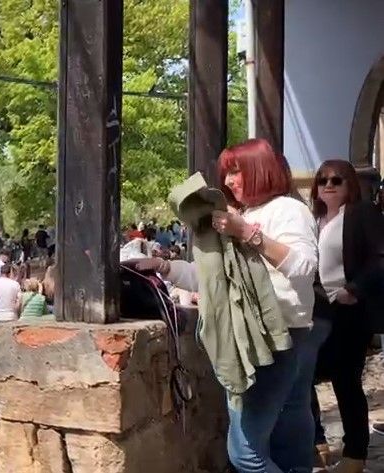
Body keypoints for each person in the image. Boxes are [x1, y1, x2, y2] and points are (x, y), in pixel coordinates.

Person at [136, 138, 318, 473]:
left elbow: (304, 269)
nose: (230, 181)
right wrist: (163, 267)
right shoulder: (241, 214)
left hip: (276, 337)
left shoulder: (289, 210)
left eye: (237, 172)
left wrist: (247, 232)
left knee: (245, 453)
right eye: (227, 174)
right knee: (287, 435)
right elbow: (214, 279)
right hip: (264, 337)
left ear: (261, 170)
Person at [308, 161, 384, 472]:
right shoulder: (314, 219)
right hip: (317, 309)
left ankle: (354, 455)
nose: (329, 185)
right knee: (303, 375)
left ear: (349, 184)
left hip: (349, 311)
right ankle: (317, 443)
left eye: (337, 180)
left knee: (345, 381)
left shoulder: (360, 213)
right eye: (322, 180)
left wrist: (354, 289)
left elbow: (380, 258)